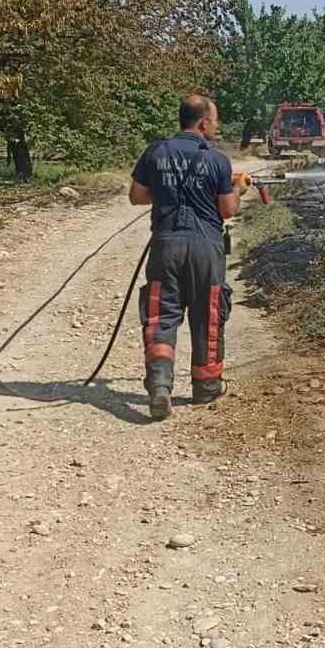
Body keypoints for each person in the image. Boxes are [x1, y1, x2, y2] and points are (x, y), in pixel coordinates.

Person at [128, 93, 241, 419]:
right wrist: (238, 189)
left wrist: (166, 190)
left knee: (161, 316)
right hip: (206, 248)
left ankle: (160, 386)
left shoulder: (156, 151)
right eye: (215, 120)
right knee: (208, 315)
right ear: (203, 121)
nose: (217, 126)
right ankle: (205, 389)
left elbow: (136, 196)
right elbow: (228, 209)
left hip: (166, 246)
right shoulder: (217, 159)